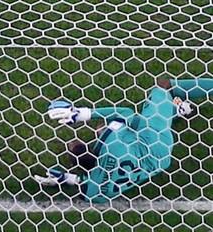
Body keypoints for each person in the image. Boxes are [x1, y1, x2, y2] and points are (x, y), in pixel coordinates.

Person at [34, 78, 212, 203]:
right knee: (164, 86)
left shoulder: (97, 190)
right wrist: (83, 113)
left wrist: (66, 178)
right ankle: (175, 108)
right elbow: (127, 114)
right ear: (91, 150)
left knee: (133, 124)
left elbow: (84, 187)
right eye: (76, 145)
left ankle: (175, 110)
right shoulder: (111, 142)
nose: (72, 143)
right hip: (154, 140)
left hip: (159, 163)